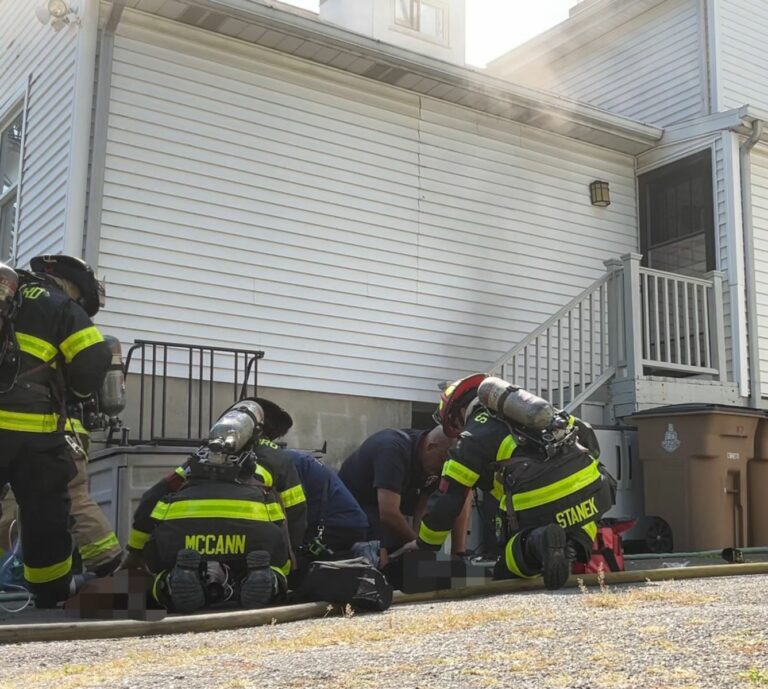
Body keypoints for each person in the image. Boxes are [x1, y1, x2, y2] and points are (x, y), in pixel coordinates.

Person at [406, 374, 615, 591]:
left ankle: (538, 542)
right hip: (595, 490)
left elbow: (449, 498)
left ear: (460, 411)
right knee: (581, 514)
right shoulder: (540, 413)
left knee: (509, 564)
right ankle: (568, 547)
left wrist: (425, 544)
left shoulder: (472, 436)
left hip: (539, 505)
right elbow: (587, 435)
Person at [0, 254, 111, 607]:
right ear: (71, 285)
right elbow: (95, 354)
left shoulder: (11, 298)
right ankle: (50, 592)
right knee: (44, 510)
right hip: (33, 431)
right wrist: (77, 393)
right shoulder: (58, 305)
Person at [124, 398, 302, 613]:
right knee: (274, 568)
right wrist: (291, 557)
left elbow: (152, 498)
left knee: (162, 571)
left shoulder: (205, 453)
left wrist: (135, 551)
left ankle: (173, 581)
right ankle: (265, 577)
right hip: (252, 535)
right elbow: (296, 512)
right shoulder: (278, 458)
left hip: (187, 534)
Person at [0, 421, 123, 579]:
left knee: (71, 497)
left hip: (53, 439)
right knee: (12, 514)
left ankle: (107, 563)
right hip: (43, 439)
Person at [338, 425, 469, 562]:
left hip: (385, 507)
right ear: (431, 447)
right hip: (354, 509)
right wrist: (420, 546)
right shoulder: (392, 450)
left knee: (456, 490)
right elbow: (389, 514)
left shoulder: (433, 461)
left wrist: (420, 543)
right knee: (379, 559)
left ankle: (457, 557)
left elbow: (424, 505)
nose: (442, 468)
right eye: (442, 461)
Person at [284, 448, 368, 563]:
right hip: (347, 521)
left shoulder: (286, 463)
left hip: (338, 525)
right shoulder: (294, 458)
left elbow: (296, 509)